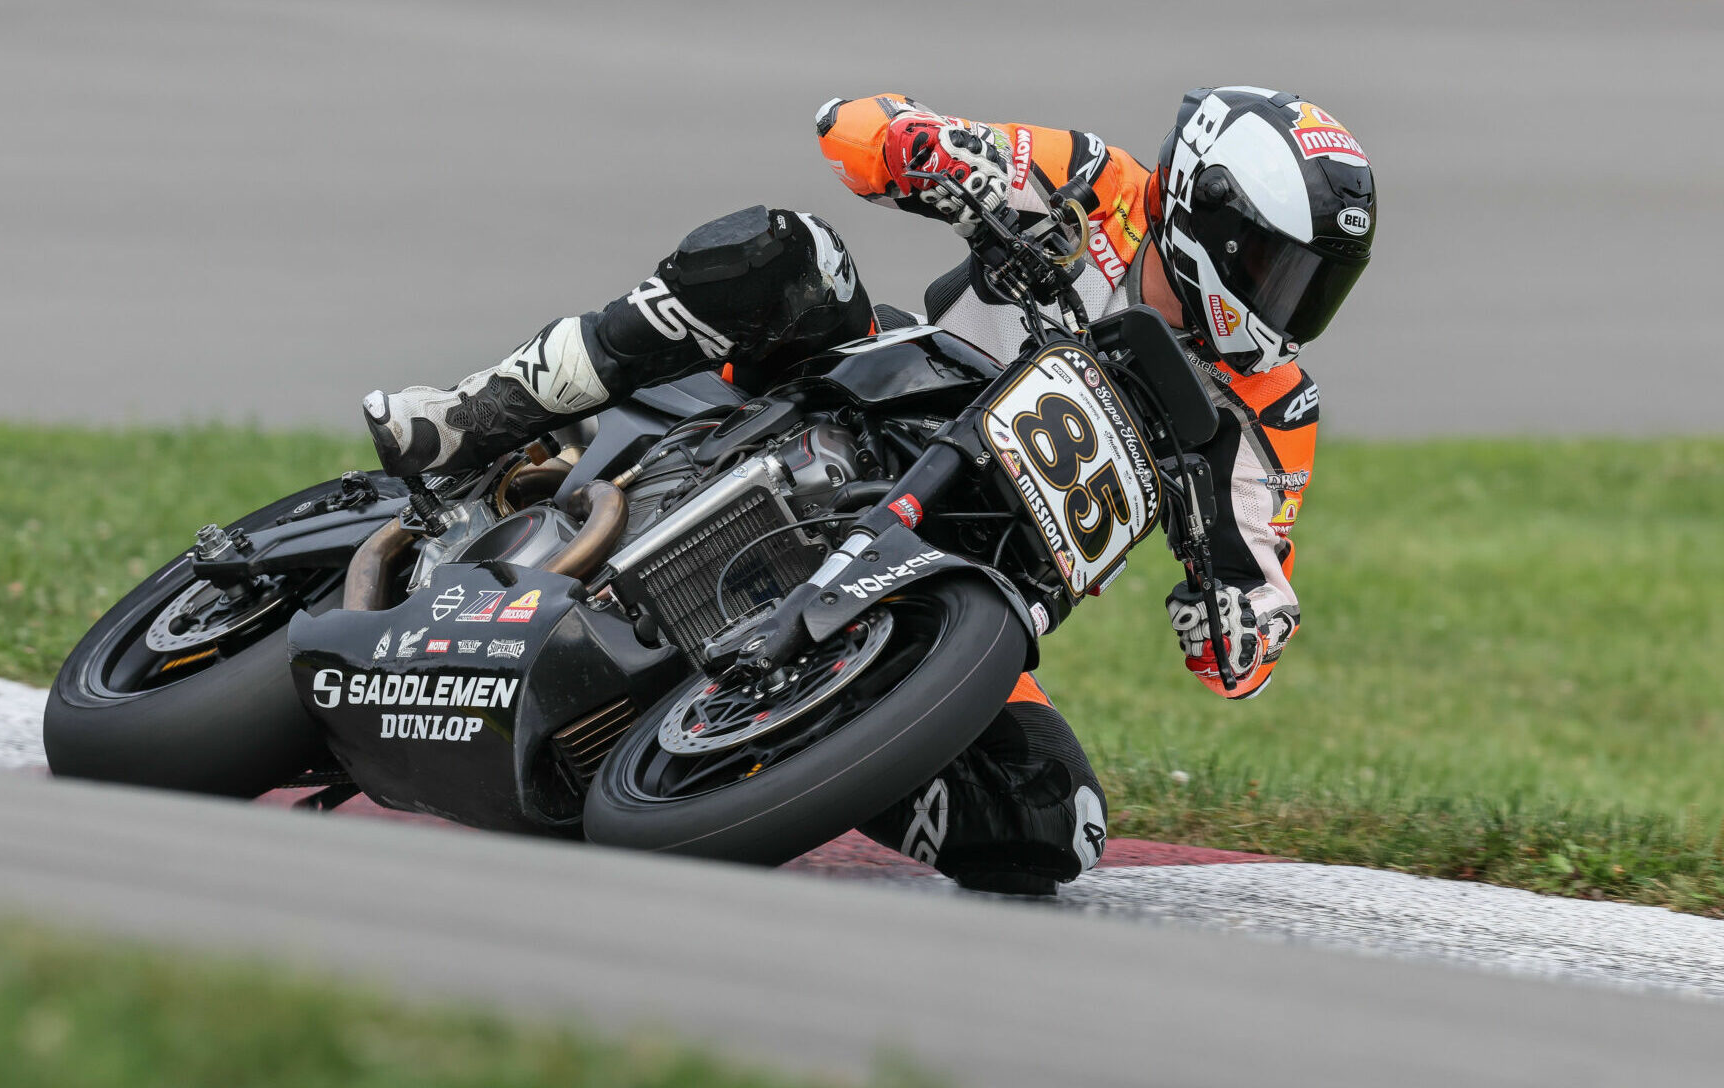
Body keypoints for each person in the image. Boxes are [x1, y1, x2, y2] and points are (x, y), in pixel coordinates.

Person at [363, 87, 1376, 894]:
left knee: (1053, 826)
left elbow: (1254, 591)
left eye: (1314, 282)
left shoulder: (1273, 409)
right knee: (787, 251)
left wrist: (1238, 620)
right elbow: (854, 128)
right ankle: (481, 413)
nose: (1288, 303)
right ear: (1201, 213)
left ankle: (794, 743)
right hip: (870, 407)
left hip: (972, 583)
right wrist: (921, 149)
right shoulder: (1094, 185)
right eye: (1276, 266)